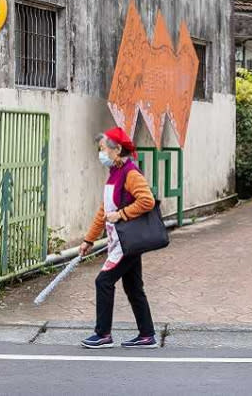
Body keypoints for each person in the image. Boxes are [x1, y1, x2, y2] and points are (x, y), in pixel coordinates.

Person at [78, 127, 158, 349]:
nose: (100, 153)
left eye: (103, 149)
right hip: (120, 241)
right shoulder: (114, 173)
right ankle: (147, 335)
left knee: (103, 281)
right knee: (133, 287)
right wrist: (88, 240)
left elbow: (147, 201)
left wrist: (122, 214)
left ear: (117, 149)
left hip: (127, 242)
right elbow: (103, 212)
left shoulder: (130, 173)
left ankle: (103, 334)